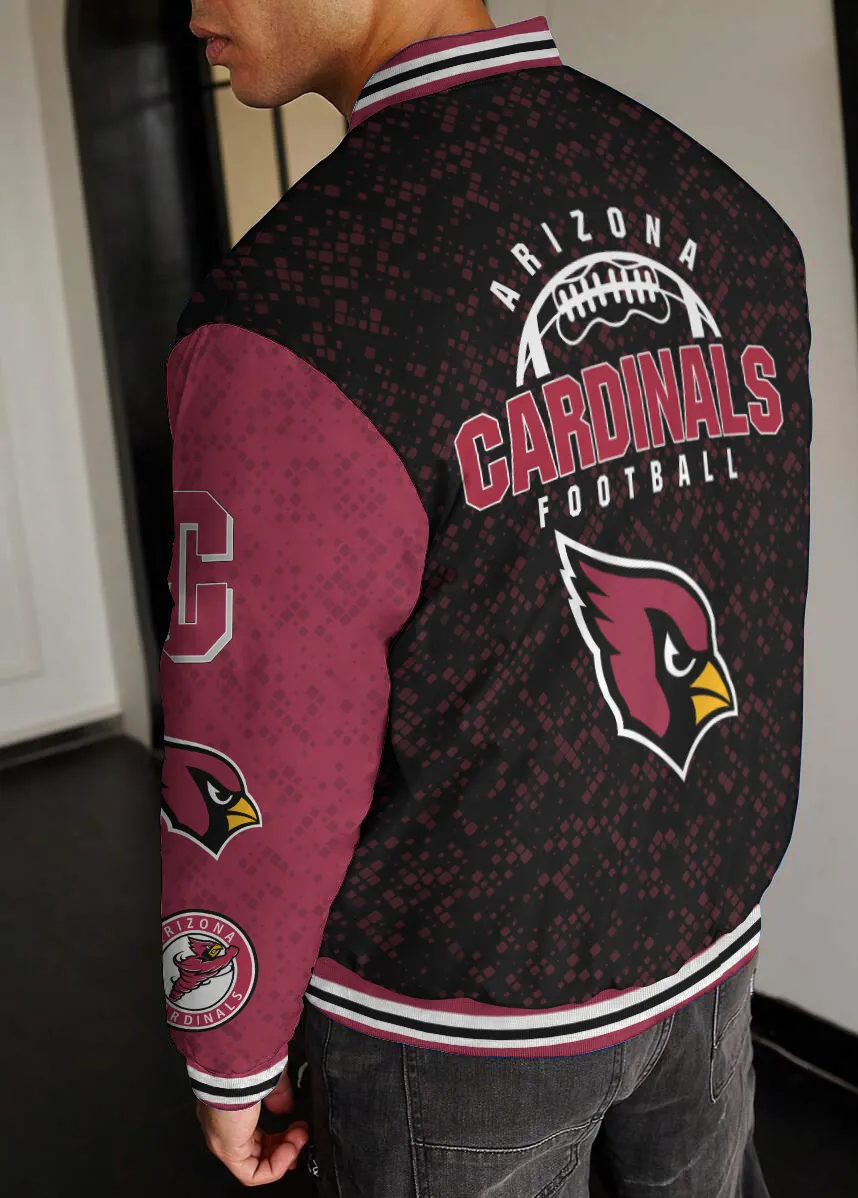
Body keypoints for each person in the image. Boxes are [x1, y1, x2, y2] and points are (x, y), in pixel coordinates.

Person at [158, 1, 812, 1193]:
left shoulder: (294, 313)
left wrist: (228, 1039)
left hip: (455, 1026)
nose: (195, 8)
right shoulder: (730, 214)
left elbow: (261, 727)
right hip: (707, 942)